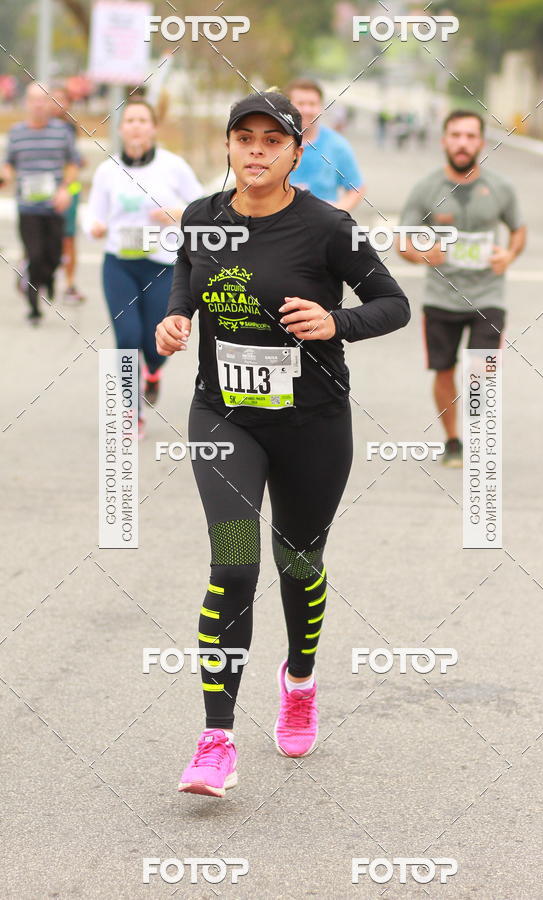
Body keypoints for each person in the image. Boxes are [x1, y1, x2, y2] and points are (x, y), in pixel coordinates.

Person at [156, 89, 410, 798]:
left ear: (297, 152)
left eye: (274, 140)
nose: (258, 151)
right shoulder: (203, 217)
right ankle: (216, 740)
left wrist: (336, 323)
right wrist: (176, 320)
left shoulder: (330, 227)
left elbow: (394, 303)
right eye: (246, 138)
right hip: (224, 417)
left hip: (313, 423)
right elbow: (188, 275)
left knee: (299, 562)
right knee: (233, 563)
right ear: (229, 147)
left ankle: (298, 680)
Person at [397, 109, 526, 467]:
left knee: (481, 368)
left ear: (481, 143)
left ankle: (478, 433)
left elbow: (518, 229)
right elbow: (402, 241)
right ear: (444, 141)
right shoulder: (427, 188)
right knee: (443, 370)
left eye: (470, 136)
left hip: (488, 296)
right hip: (441, 298)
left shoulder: (501, 188)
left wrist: (509, 254)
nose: (462, 143)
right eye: (455, 135)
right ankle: (453, 440)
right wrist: (422, 253)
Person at [86, 99, 204, 434]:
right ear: (122, 129)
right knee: (126, 337)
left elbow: (201, 206)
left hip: (162, 265)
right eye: (130, 120)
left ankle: (153, 371)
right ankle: (130, 411)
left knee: (155, 345)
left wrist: (175, 213)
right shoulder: (107, 170)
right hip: (119, 264)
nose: (136, 126)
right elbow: (93, 214)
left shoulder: (172, 165)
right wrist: (94, 227)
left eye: (143, 120)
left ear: (153, 128)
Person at [1, 83, 79, 324]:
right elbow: (9, 164)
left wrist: (66, 189)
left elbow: (73, 163)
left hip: (54, 206)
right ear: (26, 103)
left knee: (55, 256)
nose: (37, 104)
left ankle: (48, 277)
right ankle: (33, 307)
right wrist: (5, 176)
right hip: (28, 208)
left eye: (42, 99)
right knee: (35, 254)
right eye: (33, 99)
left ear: (49, 104)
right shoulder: (16, 133)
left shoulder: (62, 132)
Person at [286, 78, 365, 211]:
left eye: (312, 104)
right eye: (300, 103)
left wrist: (336, 213)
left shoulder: (337, 145)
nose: (306, 110)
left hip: (323, 228)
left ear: (321, 107)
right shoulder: (273, 144)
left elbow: (357, 189)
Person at [50, 83, 85, 304]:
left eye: (62, 99)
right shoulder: (37, 126)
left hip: (69, 187)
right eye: (53, 99)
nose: (57, 104)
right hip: (44, 189)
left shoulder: (70, 128)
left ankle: (69, 283)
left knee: (68, 238)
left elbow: (74, 159)